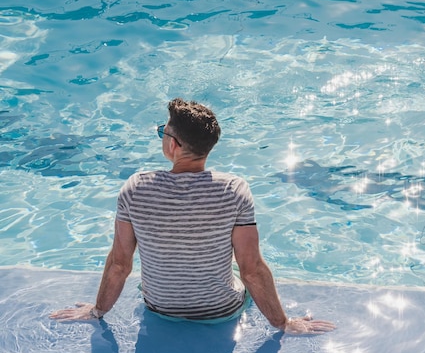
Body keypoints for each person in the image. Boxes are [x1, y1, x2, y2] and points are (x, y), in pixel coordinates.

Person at [50, 98, 335, 335]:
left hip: (160, 308)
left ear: (173, 144)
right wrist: (284, 324)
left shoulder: (135, 188)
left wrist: (97, 311)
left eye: (163, 131)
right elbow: (252, 269)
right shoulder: (234, 190)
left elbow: (119, 264)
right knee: (238, 264)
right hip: (221, 311)